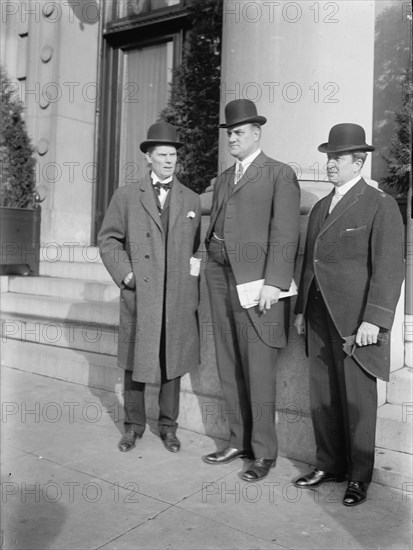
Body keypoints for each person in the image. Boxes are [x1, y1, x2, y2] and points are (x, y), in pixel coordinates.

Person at [293, 123, 405, 506]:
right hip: (318, 315)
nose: (329, 164)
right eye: (328, 157)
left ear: (358, 162)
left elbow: (389, 267)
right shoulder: (322, 206)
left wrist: (374, 319)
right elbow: (310, 263)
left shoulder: (380, 204)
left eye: (337, 158)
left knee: (358, 399)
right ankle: (329, 464)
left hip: (356, 321)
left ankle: (359, 477)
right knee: (322, 394)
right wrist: (300, 310)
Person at [202, 99, 300, 481]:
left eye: (238, 132)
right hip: (219, 277)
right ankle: (237, 440)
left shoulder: (278, 173)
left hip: (257, 285)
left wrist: (275, 282)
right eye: (229, 132)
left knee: (258, 369)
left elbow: (286, 232)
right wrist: (203, 254)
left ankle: (264, 453)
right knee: (228, 362)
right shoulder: (226, 177)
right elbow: (215, 221)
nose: (232, 138)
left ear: (256, 134)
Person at [98, 121, 201, 454]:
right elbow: (108, 239)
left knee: (172, 362)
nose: (169, 160)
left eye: (173, 154)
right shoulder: (127, 196)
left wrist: (190, 282)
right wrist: (126, 275)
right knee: (135, 363)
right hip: (140, 294)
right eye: (162, 154)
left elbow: (198, 248)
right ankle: (133, 426)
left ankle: (168, 428)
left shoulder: (191, 199)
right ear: (148, 157)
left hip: (175, 297)